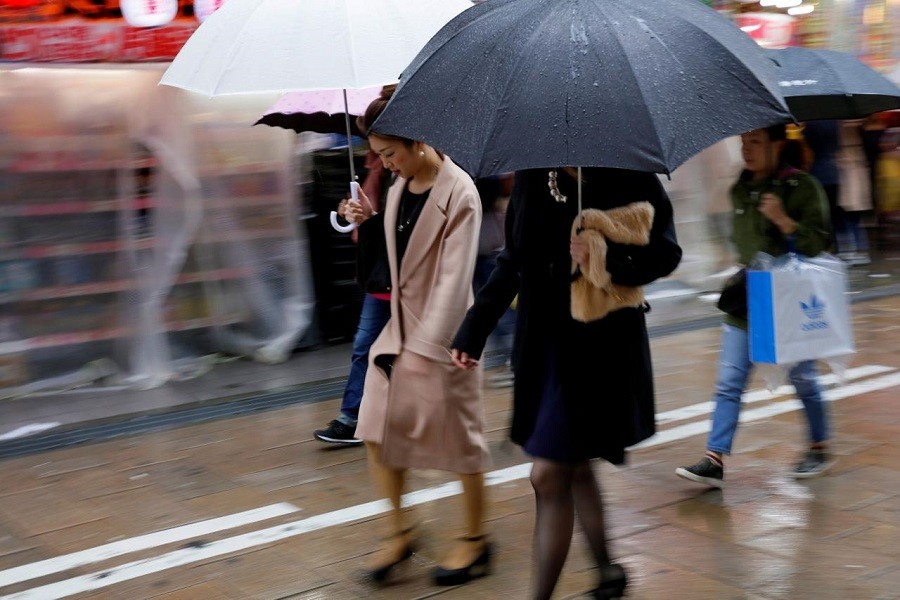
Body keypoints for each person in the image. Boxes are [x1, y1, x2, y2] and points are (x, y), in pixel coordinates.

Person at [451, 167, 682, 600]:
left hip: (601, 351)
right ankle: (608, 570)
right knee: (572, 465)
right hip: (545, 349)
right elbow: (512, 262)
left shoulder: (627, 173)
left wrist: (605, 259)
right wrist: (473, 330)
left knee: (549, 474)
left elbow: (666, 253)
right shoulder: (532, 176)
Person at [352, 93, 492, 587]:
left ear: (418, 140)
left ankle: (476, 540)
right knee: (373, 429)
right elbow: (393, 267)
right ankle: (400, 530)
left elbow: (454, 282)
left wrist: (426, 349)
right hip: (398, 332)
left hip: (445, 338)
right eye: (379, 155)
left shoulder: (460, 193)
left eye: (390, 153)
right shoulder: (396, 188)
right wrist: (364, 222)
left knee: (461, 443)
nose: (385, 164)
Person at [676, 124, 833, 490]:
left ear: (778, 145)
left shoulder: (802, 187)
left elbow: (819, 244)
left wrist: (784, 221)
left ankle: (819, 445)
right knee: (729, 381)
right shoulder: (739, 190)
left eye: (757, 142)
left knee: (803, 379)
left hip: (789, 299)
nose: (747, 149)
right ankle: (714, 458)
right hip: (748, 298)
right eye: (743, 142)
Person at [313, 149, 393, 445]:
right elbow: (369, 223)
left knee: (404, 352)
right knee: (365, 347)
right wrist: (351, 210)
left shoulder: (411, 177)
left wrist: (371, 217)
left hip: (406, 280)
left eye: (385, 147)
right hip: (377, 275)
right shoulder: (373, 171)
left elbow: (405, 230)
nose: (381, 154)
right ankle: (353, 418)